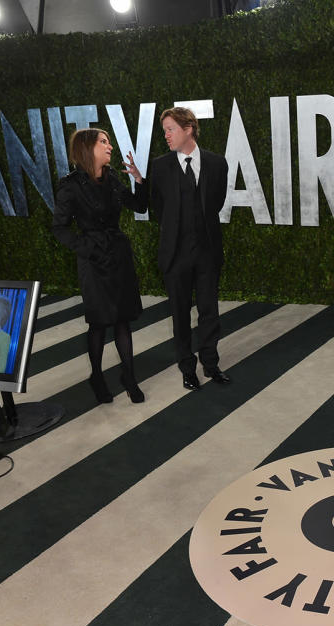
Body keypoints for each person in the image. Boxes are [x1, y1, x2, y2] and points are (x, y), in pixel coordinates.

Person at [52, 128, 147, 404]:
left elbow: (139, 206)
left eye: (108, 142)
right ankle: (96, 375)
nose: (110, 147)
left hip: (118, 256)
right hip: (93, 262)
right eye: (103, 142)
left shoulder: (114, 179)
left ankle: (128, 376)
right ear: (87, 148)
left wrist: (139, 180)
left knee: (122, 319)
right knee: (99, 323)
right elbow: (59, 228)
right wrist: (88, 249)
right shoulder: (70, 185)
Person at [147, 107, 231, 391]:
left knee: (210, 312)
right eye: (165, 131)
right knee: (179, 314)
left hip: (207, 251)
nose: (166, 136)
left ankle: (211, 364)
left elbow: (216, 203)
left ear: (189, 129)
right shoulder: (159, 166)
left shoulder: (217, 164)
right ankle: (187, 368)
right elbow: (160, 208)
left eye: (170, 129)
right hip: (175, 254)